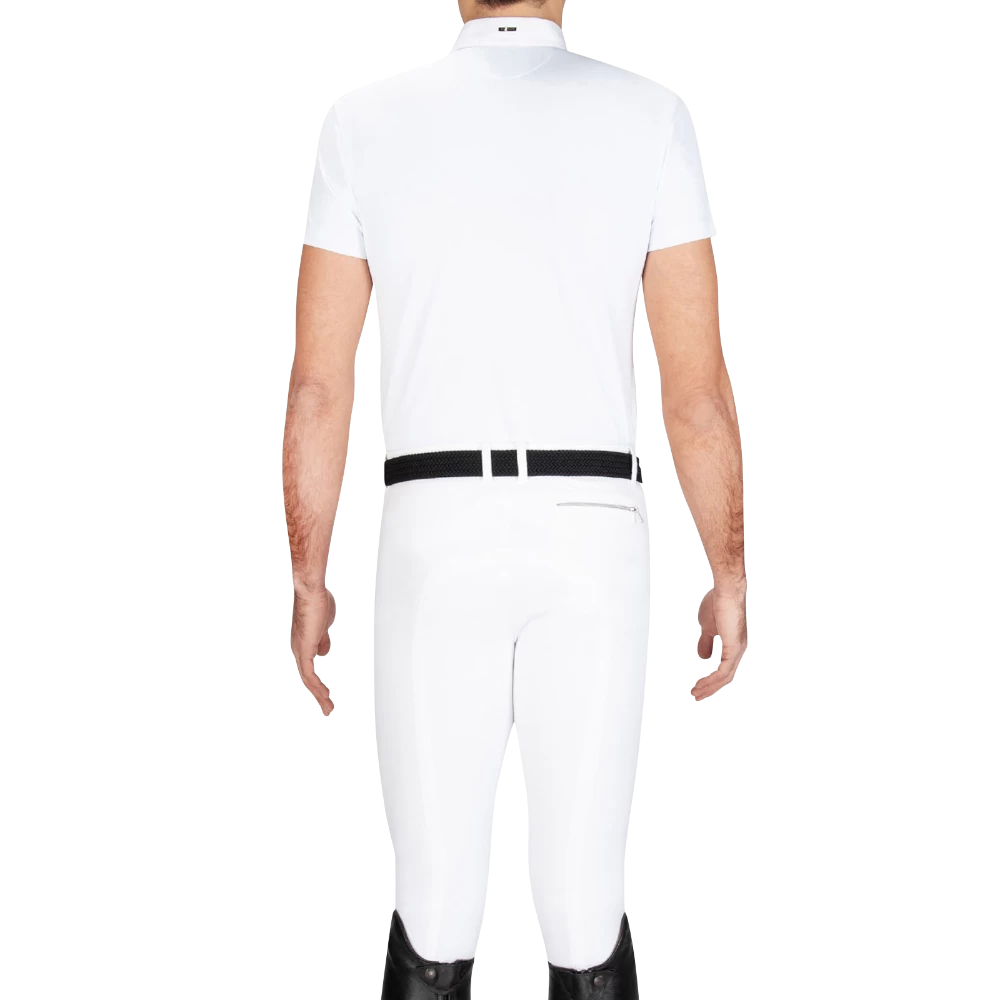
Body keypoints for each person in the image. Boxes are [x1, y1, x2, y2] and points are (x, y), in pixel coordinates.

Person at [282, 0, 747, 995]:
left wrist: (307, 577)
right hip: (595, 528)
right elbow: (696, 392)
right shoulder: (652, 116)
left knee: (433, 905)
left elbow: (319, 386)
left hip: (432, 524)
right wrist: (730, 568)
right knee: (585, 905)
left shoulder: (361, 121)